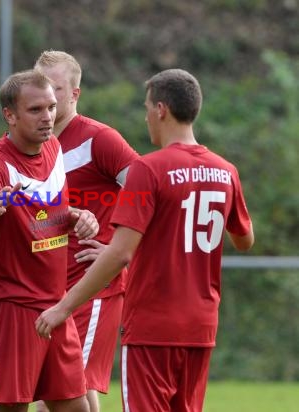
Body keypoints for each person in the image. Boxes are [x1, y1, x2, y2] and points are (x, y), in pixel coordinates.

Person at [35, 69, 254, 412]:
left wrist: (63, 307)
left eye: (147, 107)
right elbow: (244, 239)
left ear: (161, 110)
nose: (147, 116)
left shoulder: (149, 170)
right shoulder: (225, 171)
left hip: (154, 323)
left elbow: (121, 254)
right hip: (201, 324)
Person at [0, 69, 99, 412]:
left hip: (55, 305)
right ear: (9, 115)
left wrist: (77, 216)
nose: (48, 117)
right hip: (9, 304)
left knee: (76, 407)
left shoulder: (53, 147)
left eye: (52, 107)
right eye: (36, 110)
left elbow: (51, 209)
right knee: (11, 408)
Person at [34, 50, 139, 412]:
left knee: (57, 395)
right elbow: (39, 215)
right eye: (40, 86)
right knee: (72, 393)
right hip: (49, 286)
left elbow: (152, 195)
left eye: (56, 89)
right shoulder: (31, 144)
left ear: (75, 94)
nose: (46, 97)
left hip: (93, 286)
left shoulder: (100, 139)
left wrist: (117, 248)